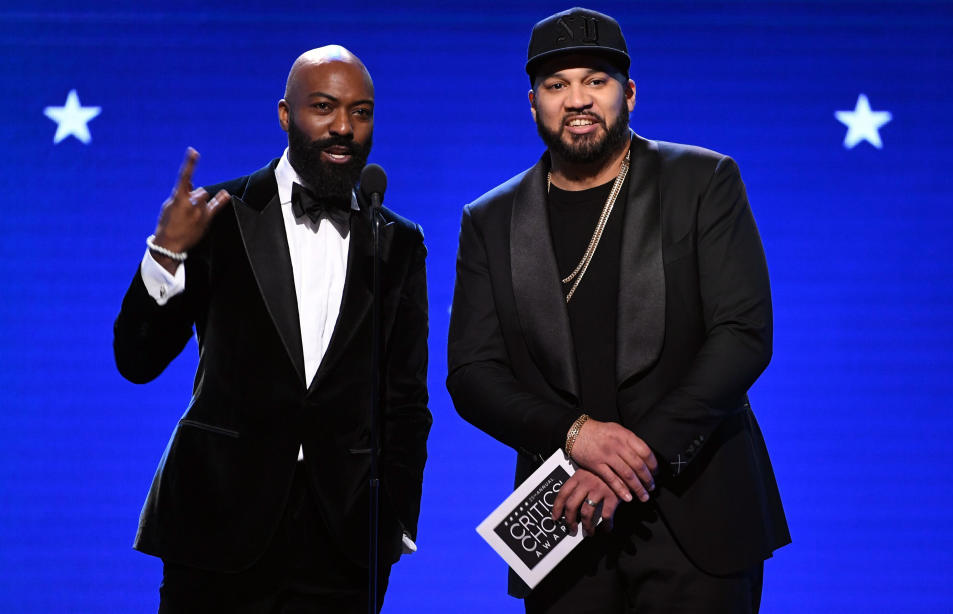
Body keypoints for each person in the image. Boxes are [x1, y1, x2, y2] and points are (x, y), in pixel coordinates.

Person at [447, 8, 789, 613]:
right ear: (532, 104)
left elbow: (743, 334)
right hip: (565, 522)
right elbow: (472, 375)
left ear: (628, 92)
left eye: (595, 81)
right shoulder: (490, 220)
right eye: (556, 86)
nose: (577, 99)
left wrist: (630, 457)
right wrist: (575, 436)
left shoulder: (703, 181)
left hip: (697, 512)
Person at [114, 45, 431, 612]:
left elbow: (405, 399)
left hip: (346, 542)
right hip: (217, 527)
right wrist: (165, 254)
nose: (343, 127)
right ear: (286, 115)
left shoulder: (398, 241)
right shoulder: (220, 213)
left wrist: (397, 521)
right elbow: (136, 361)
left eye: (361, 112)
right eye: (324, 107)